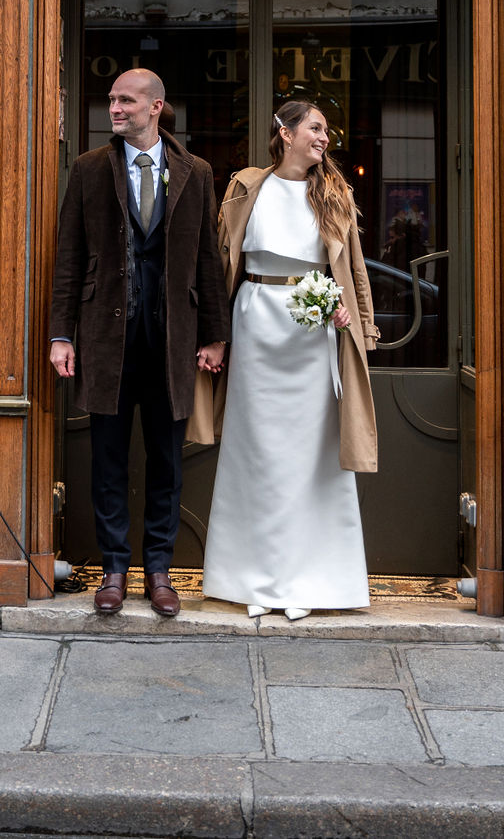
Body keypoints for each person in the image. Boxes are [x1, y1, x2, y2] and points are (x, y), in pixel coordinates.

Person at [49, 68, 229, 618]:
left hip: (171, 342)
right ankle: (113, 570)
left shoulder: (195, 172)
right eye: (111, 100)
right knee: (107, 460)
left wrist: (214, 336)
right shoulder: (88, 170)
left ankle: (158, 570)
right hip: (106, 339)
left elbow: (208, 259)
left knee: (167, 464)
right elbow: (69, 258)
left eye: (126, 100)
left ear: (156, 106)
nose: (115, 108)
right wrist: (62, 334)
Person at [203, 100, 379, 621]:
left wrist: (358, 319)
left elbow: (355, 268)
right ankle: (255, 580)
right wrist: (214, 334)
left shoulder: (335, 194)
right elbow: (221, 259)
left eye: (326, 131)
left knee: (311, 461)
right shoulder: (245, 185)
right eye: (316, 128)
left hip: (315, 334)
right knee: (257, 456)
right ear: (285, 132)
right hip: (255, 325)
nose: (325, 138)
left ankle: (311, 582)